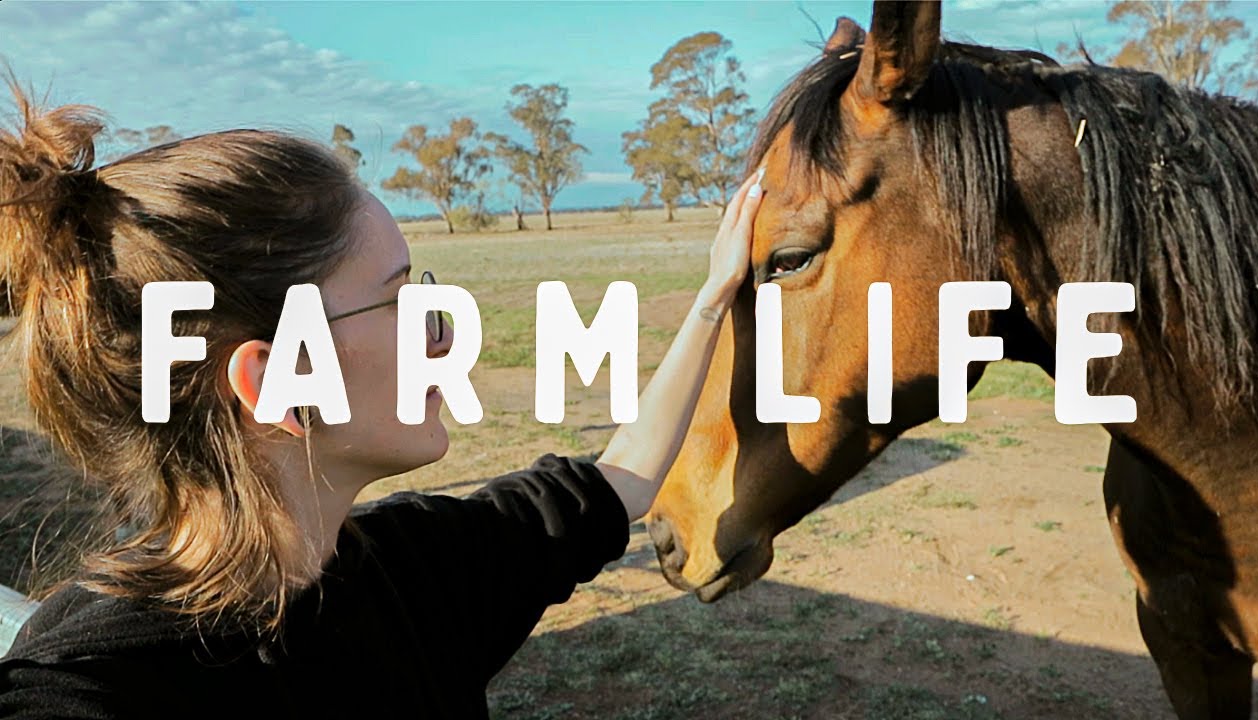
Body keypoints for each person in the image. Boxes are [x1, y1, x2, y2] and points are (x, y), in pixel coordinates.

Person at [0, 79, 765, 718]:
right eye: (397, 301)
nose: (442, 336)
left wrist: (712, 294)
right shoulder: (89, 687)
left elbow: (622, 479)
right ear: (276, 381)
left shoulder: (425, 568)